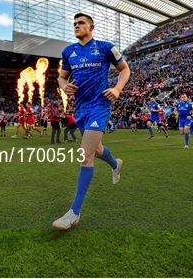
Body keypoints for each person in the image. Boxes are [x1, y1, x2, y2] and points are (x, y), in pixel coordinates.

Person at [53, 12, 130, 230]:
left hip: (100, 105)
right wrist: (63, 86)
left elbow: (125, 69)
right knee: (96, 149)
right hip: (81, 108)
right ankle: (115, 164)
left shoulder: (105, 47)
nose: (76, 26)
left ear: (91, 26)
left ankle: (73, 213)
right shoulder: (69, 51)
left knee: (84, 154)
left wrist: (117, 88)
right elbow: (62, 77)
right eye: (74, 23)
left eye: (81, 23)